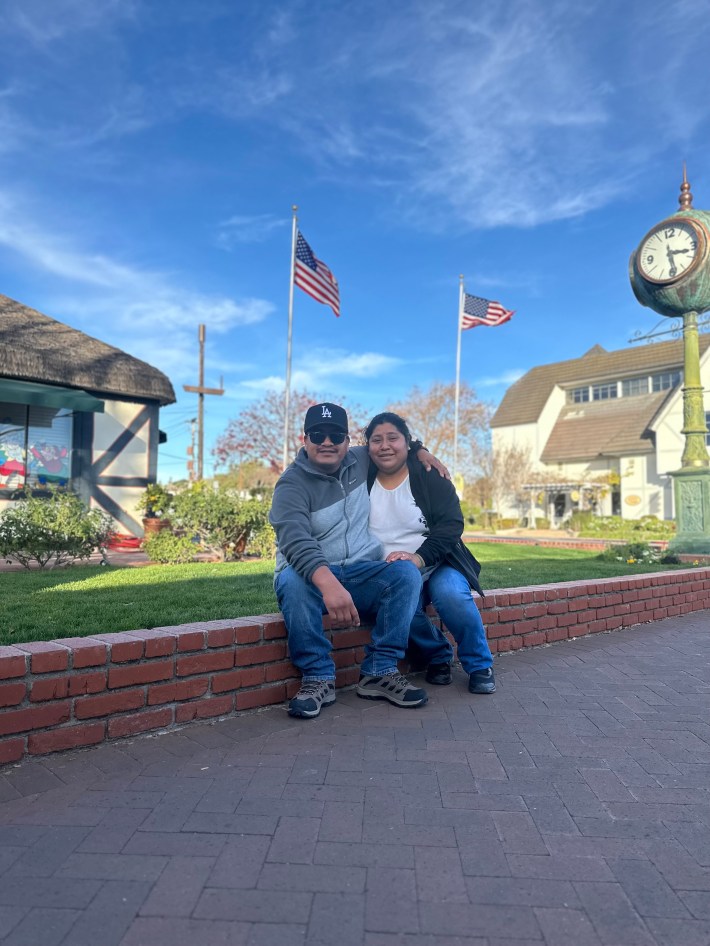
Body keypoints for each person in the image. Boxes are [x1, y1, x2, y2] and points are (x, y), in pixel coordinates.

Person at [270, 401, 439, 719]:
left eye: (336, 435)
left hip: (361, 571)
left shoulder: (360, 459)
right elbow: (296, 542)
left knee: (405, 573)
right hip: (311, 578)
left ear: (348, 441)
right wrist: (329, 584)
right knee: (290, 579)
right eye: (318, 434)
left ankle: (380, 670)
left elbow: (394, 445)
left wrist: (422, 452)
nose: (327, 442)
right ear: (304, 439)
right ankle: (317, 677)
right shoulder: (290, 484)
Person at [365, 411, 495, 695]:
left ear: (407, 442)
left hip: (436, 560)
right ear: (368, 446)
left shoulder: (429, 474)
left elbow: (451, 525)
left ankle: (480, 664)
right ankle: (438, 656)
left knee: (450, 594)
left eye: (392, 438)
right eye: (376, 440)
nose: (384, 445)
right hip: (391, 570)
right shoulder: (362, 475)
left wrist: (419, 558)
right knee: (402, 609)